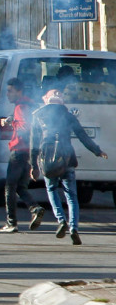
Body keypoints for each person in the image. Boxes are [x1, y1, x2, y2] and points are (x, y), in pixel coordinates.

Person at [31, 89, 108, 245]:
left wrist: (33, 165)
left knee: (52, 190)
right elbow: (82, 135)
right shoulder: (68, 115)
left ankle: (61, 220)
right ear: (62, 101)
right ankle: (74, 228)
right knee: (72, 197)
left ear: (46, 99)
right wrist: (97, 151)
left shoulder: (37, 115)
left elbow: (34, 144)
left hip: (47, 160)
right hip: (67, 160)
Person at [0, 78, 47, 233]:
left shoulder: (20, 106)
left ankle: (11, 222)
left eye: (10, 91)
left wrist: (11, 123)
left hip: (19, 150)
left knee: (10, 187)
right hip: (29, 152)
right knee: (20, 186)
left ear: (19, 91)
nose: (7, 94)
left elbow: (25, 127)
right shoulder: (32, 105)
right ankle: (35, 208)